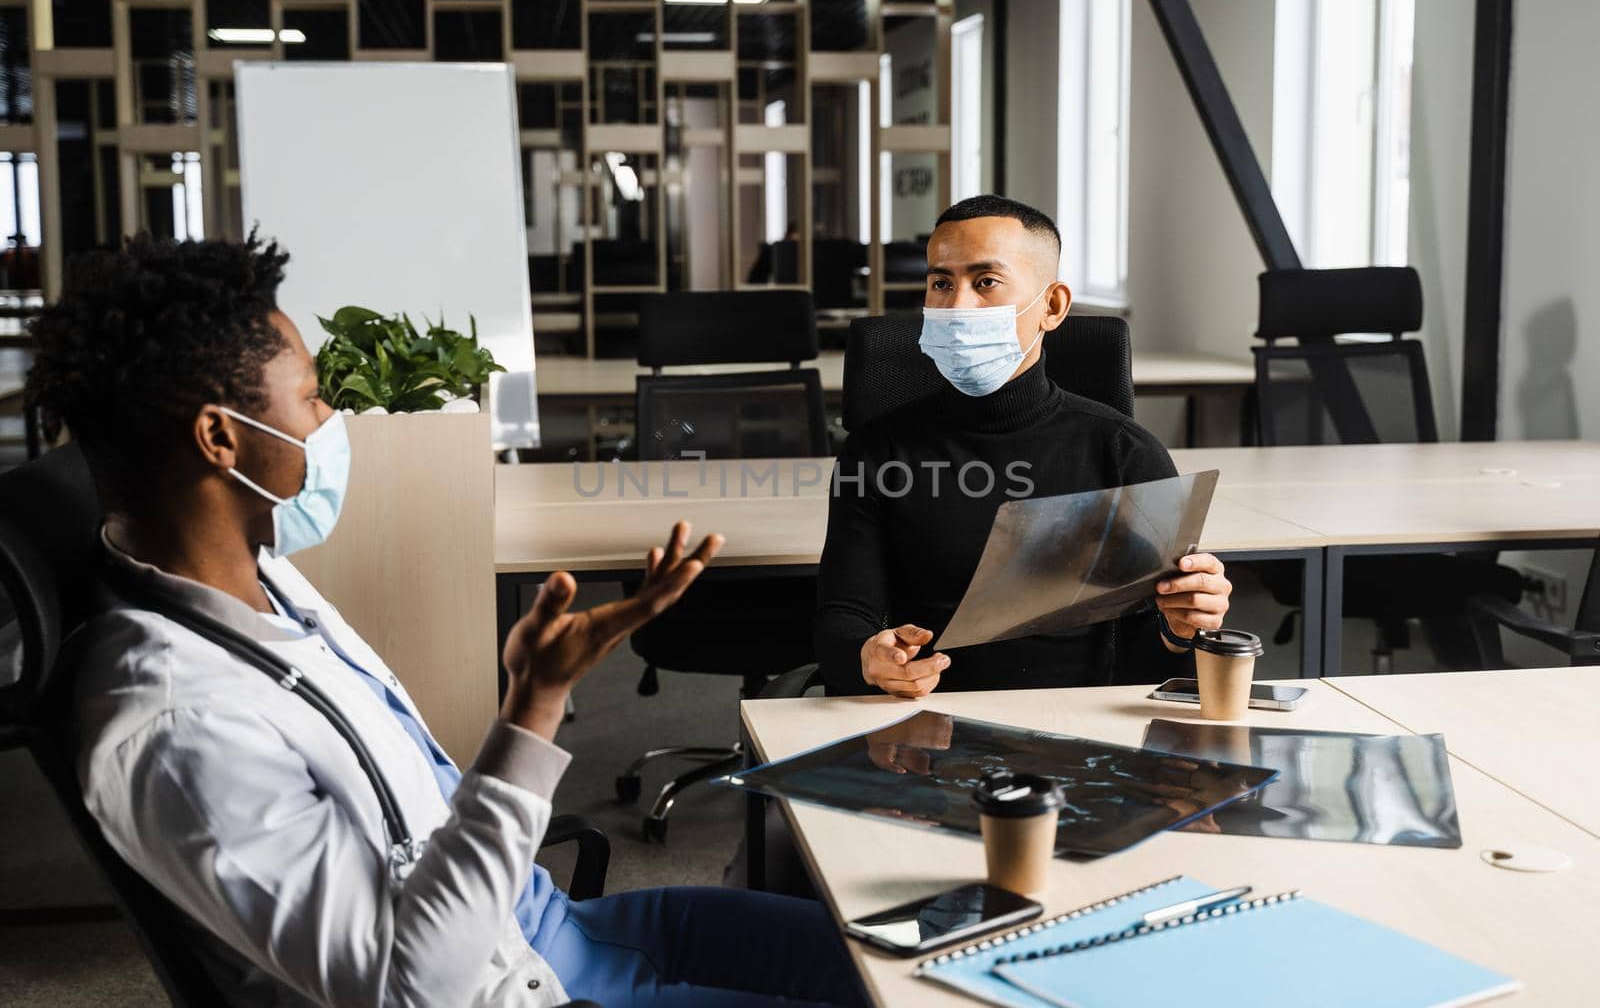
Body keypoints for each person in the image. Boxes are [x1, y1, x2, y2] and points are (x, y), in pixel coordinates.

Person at [27, 234, 865, 1008]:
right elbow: (411, 987)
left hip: (546, 928)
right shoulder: (177, 728)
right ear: (221, 437)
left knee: (891, 969)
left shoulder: (260, 580)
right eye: (315, 399)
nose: (331, 424)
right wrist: (534, 707)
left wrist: (527, 699)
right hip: (523, 990)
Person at [815, 195, 1233, 697]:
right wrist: (869, 658)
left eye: (985, 282)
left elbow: (1147, 662)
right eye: (941, 283)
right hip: (924, 723)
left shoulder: (1123, 451)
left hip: (1078, 732)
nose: (956, 305)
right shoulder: (878, 449)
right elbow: (843, 615)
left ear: (1052, 307)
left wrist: (1182, 628)